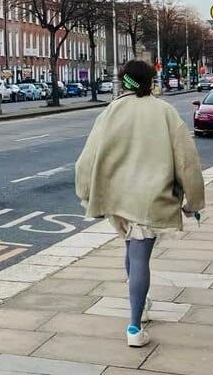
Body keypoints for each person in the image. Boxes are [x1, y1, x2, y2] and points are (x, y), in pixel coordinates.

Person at [75, 60, 205, 348]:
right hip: (150, 198)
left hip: (116, 198)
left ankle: (141, 302)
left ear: (124, 81)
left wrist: (86, 193)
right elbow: (187, 161)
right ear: (150, 81)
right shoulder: (165, 112)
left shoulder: (110, 112)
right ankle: (134, 326)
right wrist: (193, 201)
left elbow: (87, 158)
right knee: (139, 257)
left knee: (130, 248)